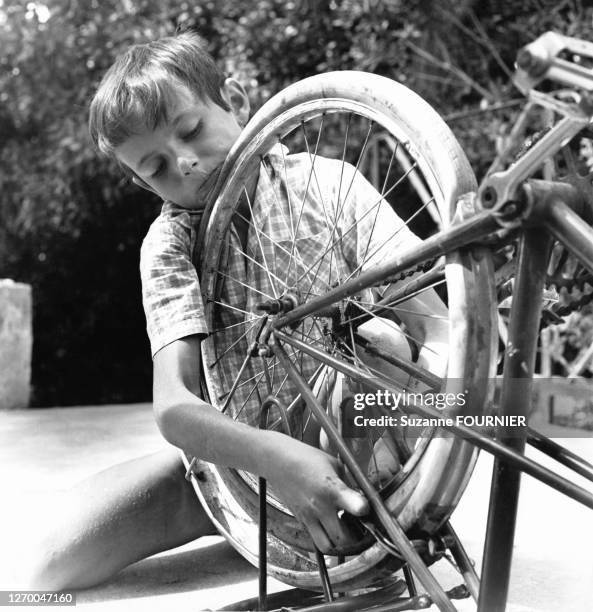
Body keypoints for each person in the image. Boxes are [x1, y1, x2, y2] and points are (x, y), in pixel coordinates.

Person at [21, 30, 448, 590]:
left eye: (191, 130)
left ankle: (349, 501)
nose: (185, 163)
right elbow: (175, 406)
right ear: (137, 180)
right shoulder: (171, 244)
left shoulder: (330, 181)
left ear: (238, 101)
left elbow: (435, 326)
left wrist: (436, 420)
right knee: (45, 566)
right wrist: (276, 461)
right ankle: (265, 522)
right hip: (241, 464)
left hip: (366, 423)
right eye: (155, 167)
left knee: (386, 345)